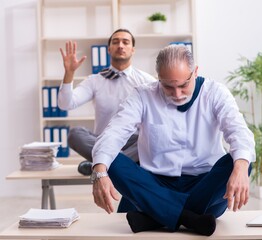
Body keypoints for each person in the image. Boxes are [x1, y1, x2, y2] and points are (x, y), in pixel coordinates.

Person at [91, 45, 255, 236]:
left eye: (183, 85)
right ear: (158, 76)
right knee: (111, 162)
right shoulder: (142, 95)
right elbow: (114, 132)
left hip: (203, 185)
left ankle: (157, 215)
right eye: (168, 86)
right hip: (156, 184)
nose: (177, 94)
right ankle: (188, 217)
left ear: (195, 72)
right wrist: (99, 172)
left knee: (241, 161)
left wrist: (241, 168)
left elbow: (239, 132)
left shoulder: (216, 92)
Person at [58, 29, 156, 177]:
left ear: (133, 49)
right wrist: (69, 73)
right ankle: (116, 163)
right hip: (102, 141)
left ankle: (100, 164)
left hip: (134, 142)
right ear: (109, 49)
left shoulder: (147, 81)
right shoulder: (95, 80)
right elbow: (66, 104)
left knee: (153, 136)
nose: (120, 45)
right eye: (115, 42)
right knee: (75, 134)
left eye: (125, 42)